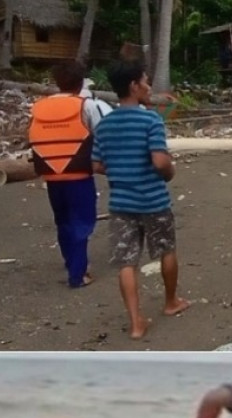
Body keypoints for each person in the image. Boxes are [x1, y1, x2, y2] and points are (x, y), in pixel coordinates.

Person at [93, 59, 190, 340]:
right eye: (145, 81)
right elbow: (160, 161)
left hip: (121, 203)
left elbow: (96, 165)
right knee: (166, 250)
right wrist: (169, 172)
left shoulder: (105, 123)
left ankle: (136, 323)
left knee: (127, 262)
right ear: (134, 86)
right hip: (153, 199)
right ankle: (171, 302)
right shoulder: (151, 119)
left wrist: (120, 167)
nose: (149, 86)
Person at [28, 60, 108, 289]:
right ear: (82, 82)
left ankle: (70, 261)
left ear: (56, 82)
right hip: (79, 174)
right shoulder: (86, 105)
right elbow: (101, 134)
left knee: (62, 220)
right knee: (82, 222)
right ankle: (78, 274)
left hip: (51, 175)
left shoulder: (39, 106)